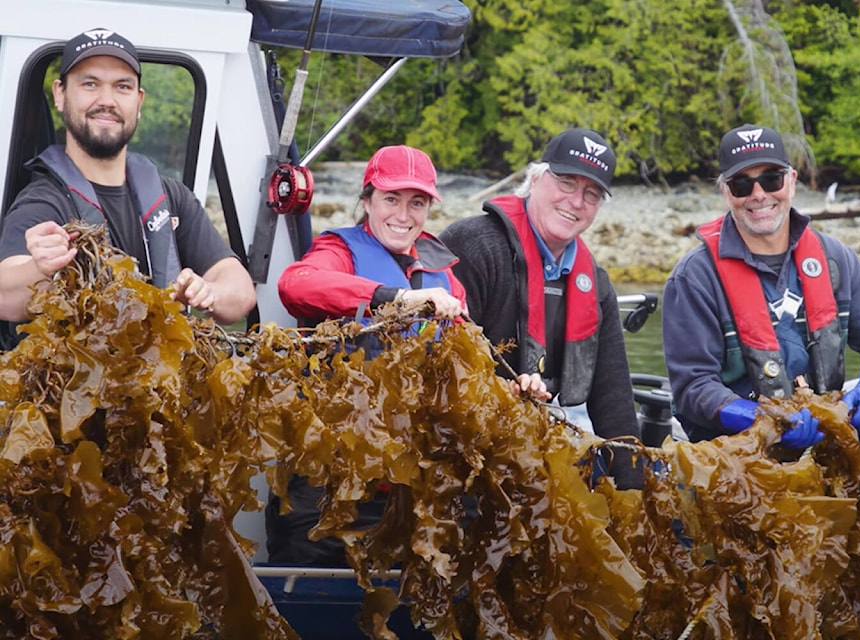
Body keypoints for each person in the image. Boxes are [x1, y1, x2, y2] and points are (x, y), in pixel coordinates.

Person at [270, 143, 467, 566]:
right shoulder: (338, 250)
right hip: (330, 476)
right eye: (391, 199)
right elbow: (295, 284)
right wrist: (392, 297)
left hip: (407, 481)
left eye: (417, 203)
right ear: (367, 201)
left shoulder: (444, 273)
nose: (403, 214)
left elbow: (468, 363)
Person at [661, 123, 860, 445]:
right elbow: (692, 387)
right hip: (734, 466)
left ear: (791, 182)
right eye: (742, 184)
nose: (759, 195)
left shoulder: (837, 260)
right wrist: (762, 420)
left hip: (827, 449)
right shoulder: (693, 279)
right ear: (726, 192)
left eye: (771, 179)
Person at [0, 28, 256, 328]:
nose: (106, 99)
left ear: (139, 101)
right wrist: (39, 268)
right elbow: (5, 297)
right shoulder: (43, 202)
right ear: (60, 93)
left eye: (122, 86)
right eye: (90, 83)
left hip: (163, 370)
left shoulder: (172, 196)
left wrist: (211, 291)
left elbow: (241, 291)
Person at [439, 128, 643, 484]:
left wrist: (636, 496)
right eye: (566, 183)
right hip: (459, 450)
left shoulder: (596, 285)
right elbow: (443, 371)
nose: (576, 201)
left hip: (532, 450)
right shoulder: (473, 246)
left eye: (591, 193)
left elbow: (614, 402)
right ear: (535, 179)